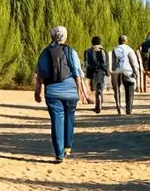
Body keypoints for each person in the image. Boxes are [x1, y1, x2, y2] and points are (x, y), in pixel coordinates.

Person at [34, 25, 83, 163]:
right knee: (70, 118)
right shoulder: (71, 51)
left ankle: (59, 154)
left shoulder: (45, 52)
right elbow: (77, 73)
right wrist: (79, 91)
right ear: (65, 37)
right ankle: (68, 147)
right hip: (71, 91)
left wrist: (38, 91)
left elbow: (39, 75)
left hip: (52, 92)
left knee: (57, 121)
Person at [110, 34, 141, 115]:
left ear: (119, 41)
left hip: (117, 71)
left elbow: (113, 63)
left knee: (117, 90)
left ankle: (118, 105)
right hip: (128, 71)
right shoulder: (129, 49)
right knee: (129, 90)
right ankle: (128, 109)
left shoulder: (115, 50)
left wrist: (113, 71)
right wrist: (136, 74)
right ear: (126, 41)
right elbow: (134, 63)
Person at [84, 36, 111, 114]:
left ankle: (98, 105)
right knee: (100, 88)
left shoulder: (88, 51)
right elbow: (105, 62)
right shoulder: (102, 51)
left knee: (96, 87)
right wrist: (106, 71)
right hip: (100, 71)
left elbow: (86, 63)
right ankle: (99, 105)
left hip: (92, 71)